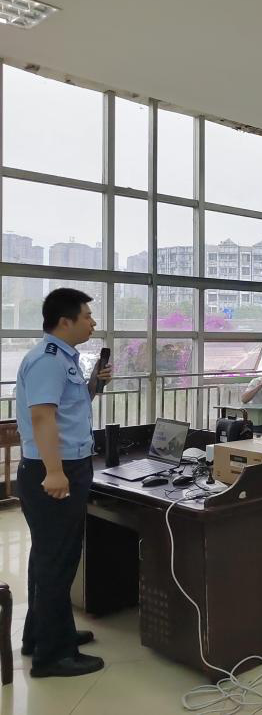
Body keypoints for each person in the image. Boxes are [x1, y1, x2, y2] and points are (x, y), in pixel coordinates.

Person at [16, 288, 111, 678]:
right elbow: (42, 417)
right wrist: (55, 472)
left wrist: (95, 385)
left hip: (64, 465)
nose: (93, 322)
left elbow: (70, 409)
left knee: (49, 558)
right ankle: (53, 656)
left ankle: (40, 636)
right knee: (56, 561)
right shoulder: (49, 360)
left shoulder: (64, 359)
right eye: (87, 316)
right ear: (65, 321)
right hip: (55, 469)